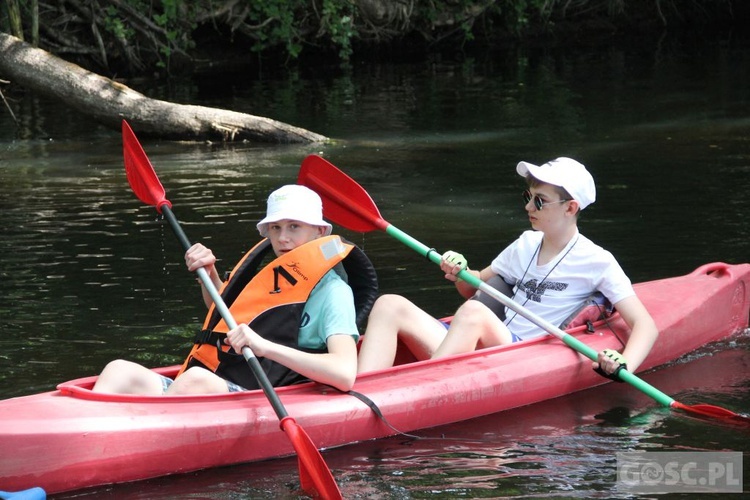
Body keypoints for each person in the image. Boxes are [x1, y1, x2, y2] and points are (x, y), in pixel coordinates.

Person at [357, 157, 658, 381]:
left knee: (474, 315)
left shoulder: (598, 261)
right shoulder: (525, 244)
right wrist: (459, 269)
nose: (528, 208)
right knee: (389, 304)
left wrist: (624, 363)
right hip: (483, 340)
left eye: (540, 202)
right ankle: (361, 393)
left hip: (519, 353)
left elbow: (645, 325)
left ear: (571, 208)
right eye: (528, 198)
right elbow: (472, 287)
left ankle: (419, 389)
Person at [93, 184, 377, 395]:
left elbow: (343, 374)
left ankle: (137, 444)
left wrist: (265, 347)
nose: (283, 238)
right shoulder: (274, 278)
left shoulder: (334, 292)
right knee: (119, 370)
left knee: (196, 380)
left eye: (294, 226)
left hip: (266, 395)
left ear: (320, 232)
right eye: (275, 228)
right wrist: (210, 276)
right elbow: (226, 317)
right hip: (224, 380)